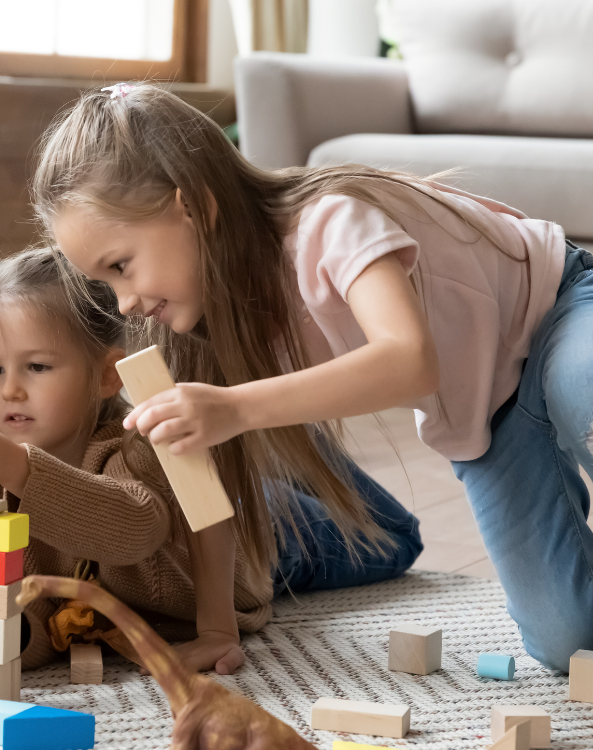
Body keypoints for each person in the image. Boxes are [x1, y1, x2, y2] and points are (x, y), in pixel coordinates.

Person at [33, 81, 592, 671]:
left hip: (559, 305)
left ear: (193, 206)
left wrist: (236, 407)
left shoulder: (331, 220)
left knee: (580, 384)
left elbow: (410, 360)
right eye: (105, 282)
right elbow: (209, 484)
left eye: (121, 265)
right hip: (492, 406)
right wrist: (217, 628)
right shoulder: (203, 330)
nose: (123, 303)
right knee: (568, 642)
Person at [0, 247, 421, 674]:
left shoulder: (136, 447)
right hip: (193, 512)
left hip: (260, 543)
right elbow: (38, 605)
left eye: (37, 367)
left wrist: (21, 469)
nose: (10, 390)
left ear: (108, 375)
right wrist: (15, 641)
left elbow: (133, 529)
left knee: (397, 540)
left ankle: (285, 437)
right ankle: (251, 452)